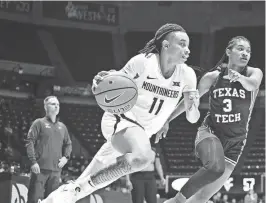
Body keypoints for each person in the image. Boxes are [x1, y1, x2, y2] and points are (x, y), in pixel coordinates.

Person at [40, 23, 200, 203]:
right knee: (143, 157)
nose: (187, 50)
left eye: (188, 45)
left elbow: (193, 118)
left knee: (86, 184)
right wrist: (102, 81)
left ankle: (60, 197)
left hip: (141, 134)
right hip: (122, 119)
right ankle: (79, 188)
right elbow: (115, 81)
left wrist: (192, 105)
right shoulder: (143, 62)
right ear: (165, 45)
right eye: (182, 44)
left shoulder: (188, 75)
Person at [157, 36, 263, 203]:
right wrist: (166, 120)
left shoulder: (253, 73)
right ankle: (176, 200)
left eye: (248, 51)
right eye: (240, 49)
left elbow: (253, 84)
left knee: (203, 197)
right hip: (210, 132)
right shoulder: (213, 77)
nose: (245, 54)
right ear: (228, 51)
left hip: (236, 142)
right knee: (215, 167)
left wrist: (240, 78)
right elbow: (190, 101)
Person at [25, 96, 72, 203]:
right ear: (46, 107)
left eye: (58, 104)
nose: (56, 106)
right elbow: (29, 142)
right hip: (39, 169)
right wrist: (33, 162)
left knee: (52, 201)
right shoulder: (39, 123)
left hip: (56, 171)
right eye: (53, 104)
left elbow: (68, 144)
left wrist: (66, 157)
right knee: (33, 199)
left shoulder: (62, 127)